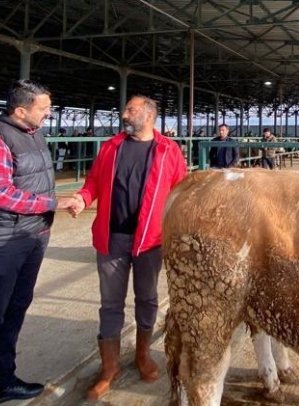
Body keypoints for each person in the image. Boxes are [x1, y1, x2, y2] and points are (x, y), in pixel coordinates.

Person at [0, 79, 76, 406]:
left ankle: (2, 383)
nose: (49, 113)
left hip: (31, 236)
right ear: (21, 110)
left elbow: (36, 181)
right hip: (2, 240)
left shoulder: (34, 134)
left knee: (15, 311)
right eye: (44, 108)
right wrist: (54, 204)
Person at [67, 95, 187, 400]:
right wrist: (83, 197)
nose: (124, 114)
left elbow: (180, 192)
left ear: (148, 115)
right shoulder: (111, 146)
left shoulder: (168, 150)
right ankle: (109, 368)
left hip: (150, 240)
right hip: (112, 237)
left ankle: (142, 355)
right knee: (110, 302)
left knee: (147, 298)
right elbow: (93, 180)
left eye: (130, 110)